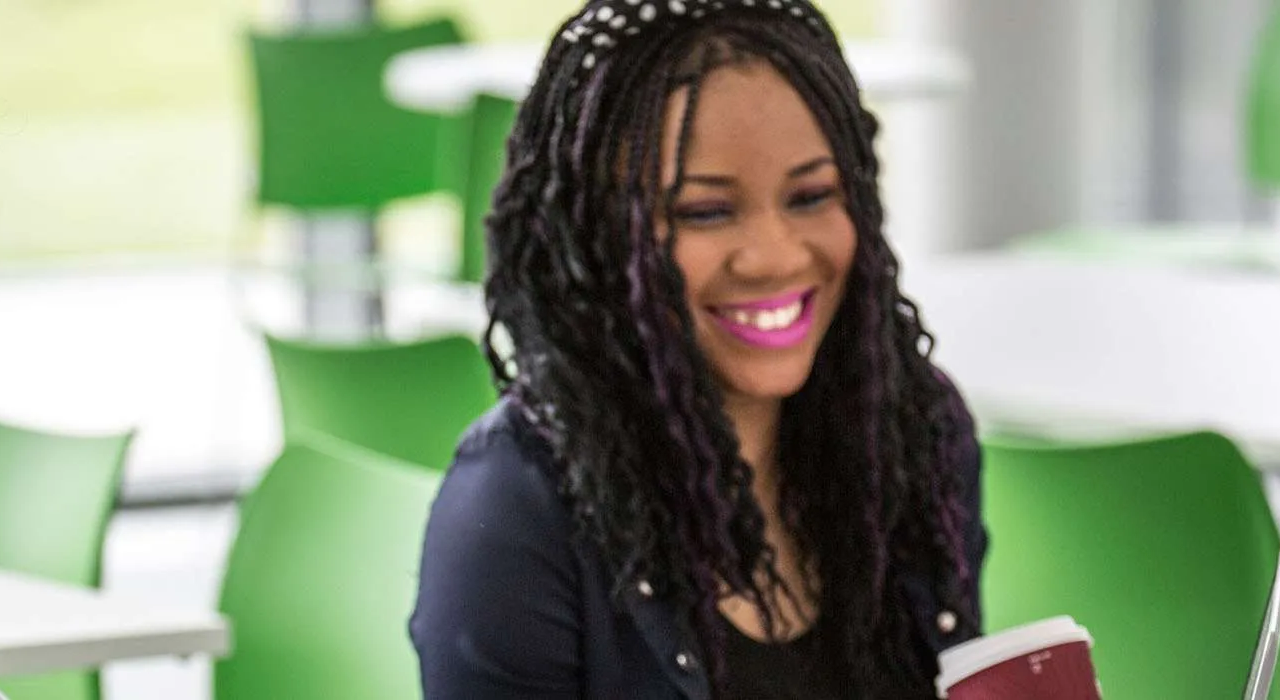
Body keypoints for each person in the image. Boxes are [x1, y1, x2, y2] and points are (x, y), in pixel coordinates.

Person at [410, 0, 986, 697]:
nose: (773, 256)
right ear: (600, 237)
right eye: (704, 211)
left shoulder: (915, 438)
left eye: (810, 196)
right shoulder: (514, 510)